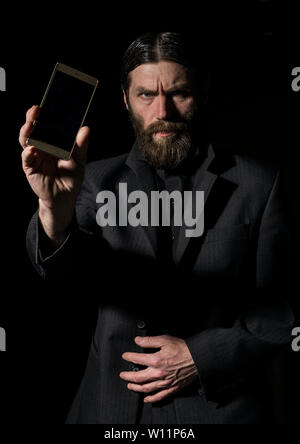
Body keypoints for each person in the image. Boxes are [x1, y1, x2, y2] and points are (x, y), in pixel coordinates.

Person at [20, 32, 295, 424]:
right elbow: (57, 271)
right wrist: (51, 207)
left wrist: (200, 358)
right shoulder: (94, 181)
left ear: (202, 92)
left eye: (178, 93)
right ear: (126, 100)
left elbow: (283, 316)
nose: (162, 110)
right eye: (146, 95)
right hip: (105, 413)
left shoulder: (259, 186)